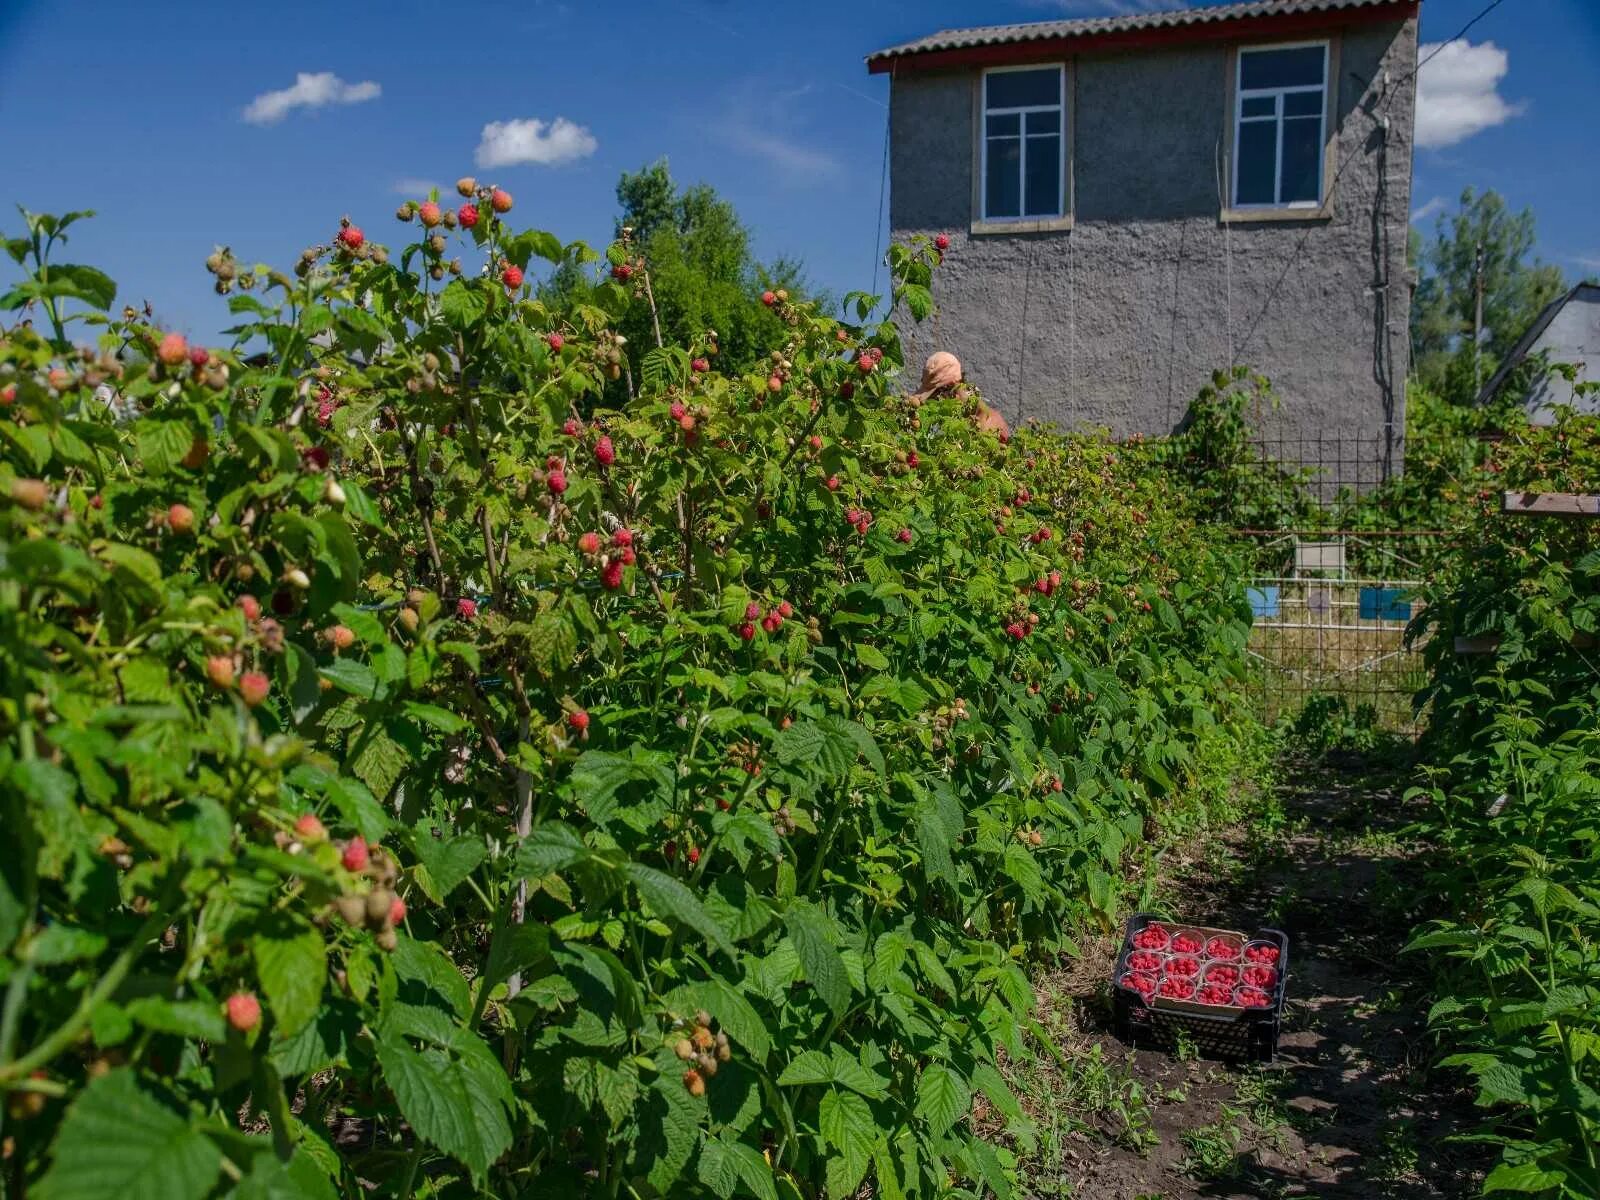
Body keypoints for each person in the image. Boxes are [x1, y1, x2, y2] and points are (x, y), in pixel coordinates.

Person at [908, 351, 1010, 441]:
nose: (928, 402)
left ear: (951, 388)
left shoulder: (987, 424)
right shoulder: (957, 419)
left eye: (934, 395)